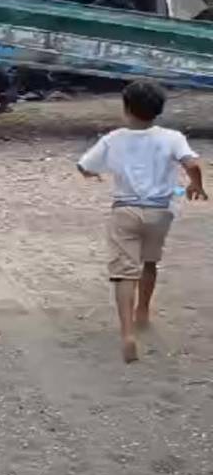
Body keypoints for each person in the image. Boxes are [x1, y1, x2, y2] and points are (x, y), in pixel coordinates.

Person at [77, 81, 206, 363]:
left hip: (125, 210)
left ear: (126, 108)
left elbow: (84, 165)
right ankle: (143, 312)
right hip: (161, 212)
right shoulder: (172, 137)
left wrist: (92, 175)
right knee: (149, 263)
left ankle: (127, 333)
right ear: (159, 110)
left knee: (125, 272)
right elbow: (193, 164)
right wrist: (196, 186)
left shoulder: (114, 139)